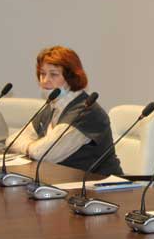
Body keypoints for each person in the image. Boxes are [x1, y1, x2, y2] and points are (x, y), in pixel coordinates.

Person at [7, 46, 122, 175]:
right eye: (42, 74)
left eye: (53, 74)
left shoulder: (85, 111)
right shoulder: (52, 106)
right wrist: (32, 148)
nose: (45, 80)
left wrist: (28, 147)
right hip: (64, 181)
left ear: (71, 77)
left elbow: (44, 154)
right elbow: (12, 141)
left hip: (100, 184)